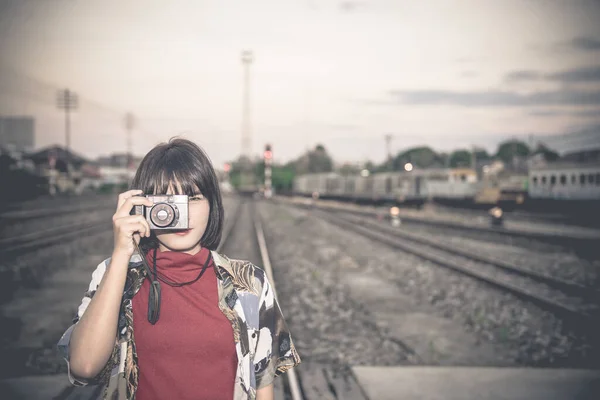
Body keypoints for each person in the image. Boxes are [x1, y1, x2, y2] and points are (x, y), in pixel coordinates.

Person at [57, 138, 301, 400]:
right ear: (142, 205)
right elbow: (84, 367)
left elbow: (263, 385)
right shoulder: (116, 275)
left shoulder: (250, 283)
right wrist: (120, 254)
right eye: (167, 201)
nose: (180, 213)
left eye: (193, 198)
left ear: (212, 203)